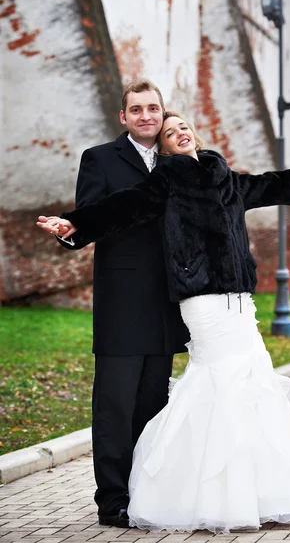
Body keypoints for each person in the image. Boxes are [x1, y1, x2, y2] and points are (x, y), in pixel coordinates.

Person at [38, 111, 290, 533]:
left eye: (183, 126)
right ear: (163, 147)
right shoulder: (167, 180)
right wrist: (75, 225)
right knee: (214, 383)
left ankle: (251, 492)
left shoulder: (223, 174)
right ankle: (178, 491)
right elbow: (121, 208)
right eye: (169, 132)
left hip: (239, 300)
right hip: (202, 299)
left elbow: (269, 184)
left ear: (194, 134)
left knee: (250, 386)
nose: (179, 133)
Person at [37, 84, 189, 529]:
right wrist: (70, 229)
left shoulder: (176, 160)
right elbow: (90, 217)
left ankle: (146, 494)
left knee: (152, 408)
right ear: (123, 116)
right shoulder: (99, 159)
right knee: (115, 409)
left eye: (153, 109)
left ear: (163, 114)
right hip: (122, 306)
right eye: (136, 110)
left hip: (166, 305)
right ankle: (113, 501)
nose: (146, 116)